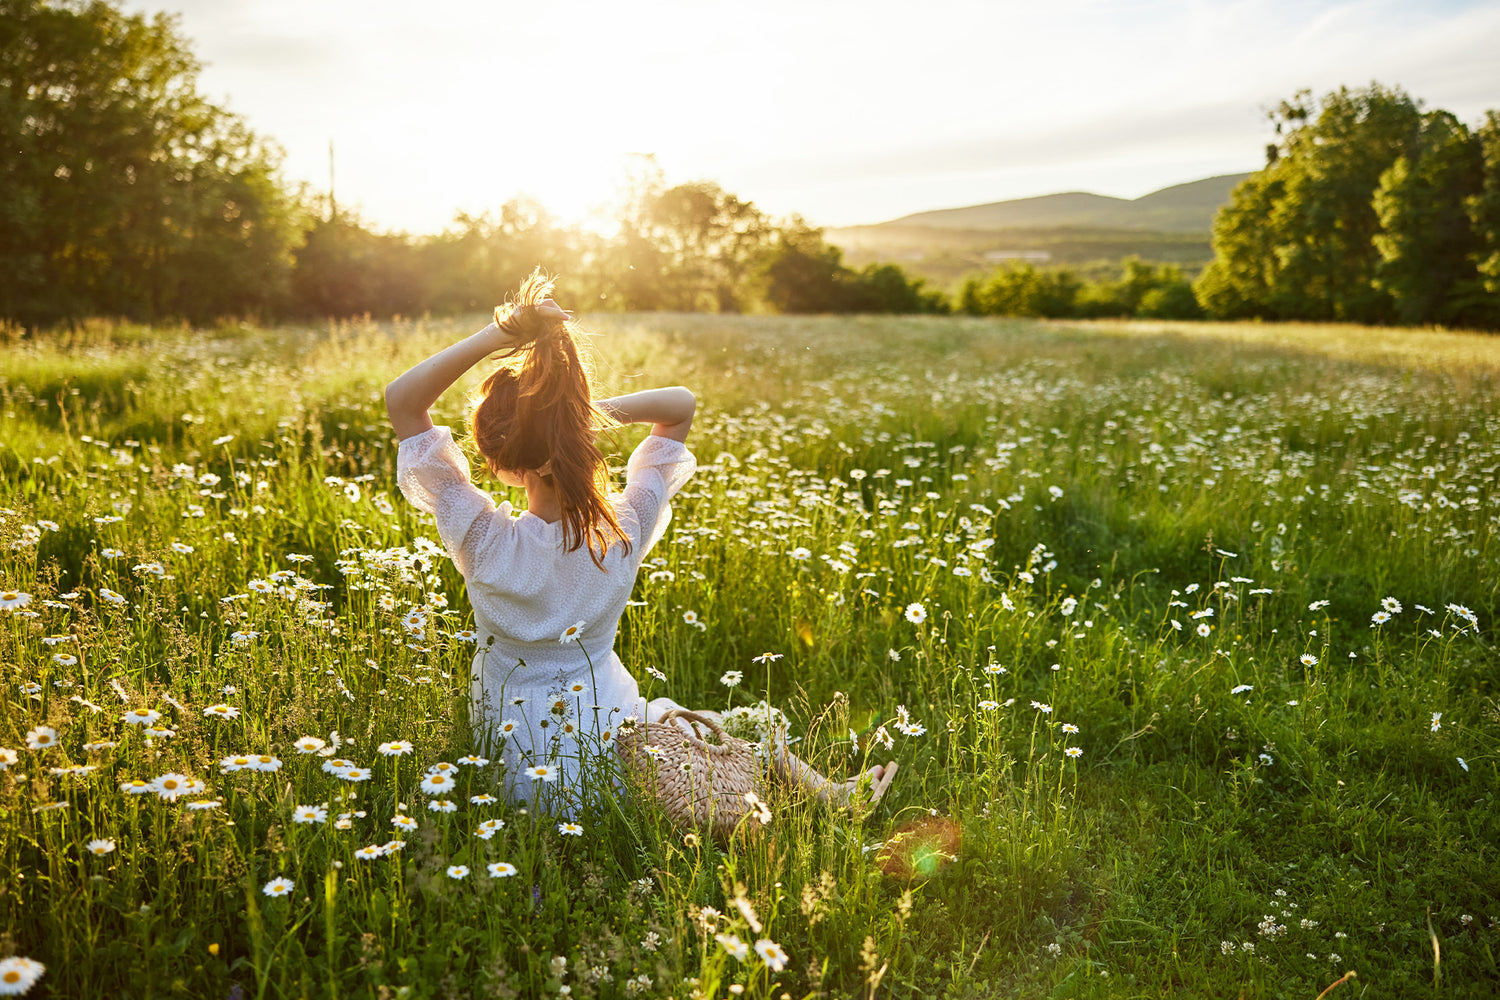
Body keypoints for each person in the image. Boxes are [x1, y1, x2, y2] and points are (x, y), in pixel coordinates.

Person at [386, 270, 894, 813]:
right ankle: (829, 795)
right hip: (613, 731)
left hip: (517, 759)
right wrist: (573, 420)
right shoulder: (623, 527)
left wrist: (499, 335)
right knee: (698, 721)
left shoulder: (482, 538)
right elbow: (679, 404)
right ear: (582, 434)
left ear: (503, 463)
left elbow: (403, 401)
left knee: (682, 722)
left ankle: (818, 793)